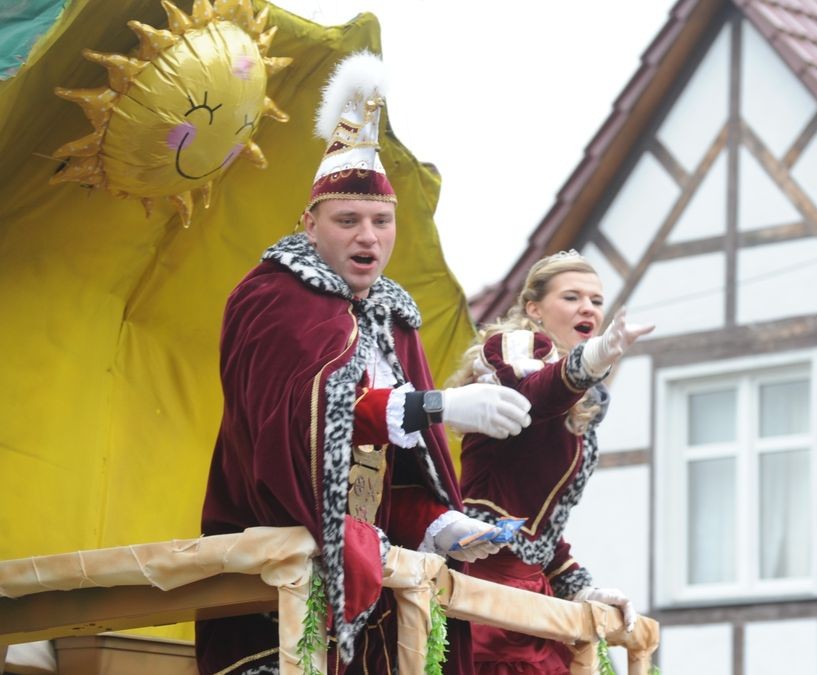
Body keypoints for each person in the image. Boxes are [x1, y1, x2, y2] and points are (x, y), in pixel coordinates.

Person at [196, 52, 531, 675]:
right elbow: (300, 433)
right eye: (347, 220)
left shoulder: (393, 321)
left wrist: (438, 524)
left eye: (381, 222)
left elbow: (384, 486)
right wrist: (435, 407)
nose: (367, 238)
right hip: (276, 575)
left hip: (371, 584)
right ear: (310, 225)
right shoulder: (274, 299)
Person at [453, 251, 654, 673]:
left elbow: (539, 526)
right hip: (482, 582)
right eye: (572, 297)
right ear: (534, 309)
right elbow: (533, 397)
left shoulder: (581, 399)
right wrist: (594, 358)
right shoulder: (511, 353)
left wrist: (580, 587)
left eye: (597, 301)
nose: (588, 308)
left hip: (530, 591)